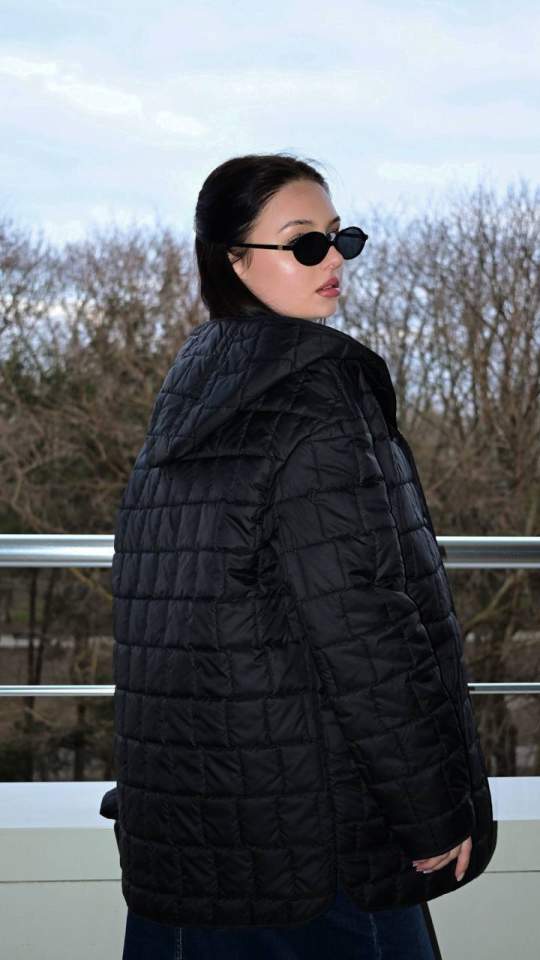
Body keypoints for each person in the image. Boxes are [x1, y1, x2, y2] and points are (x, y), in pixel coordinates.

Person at [100, 153, 497, 958]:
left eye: (341, 237)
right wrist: (433, 808)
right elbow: (365, 626)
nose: (334, 258)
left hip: (193, 833)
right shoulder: (319, 392)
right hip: (316, 840)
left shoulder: (193, 392)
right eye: (305, 243)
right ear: (233, 259)